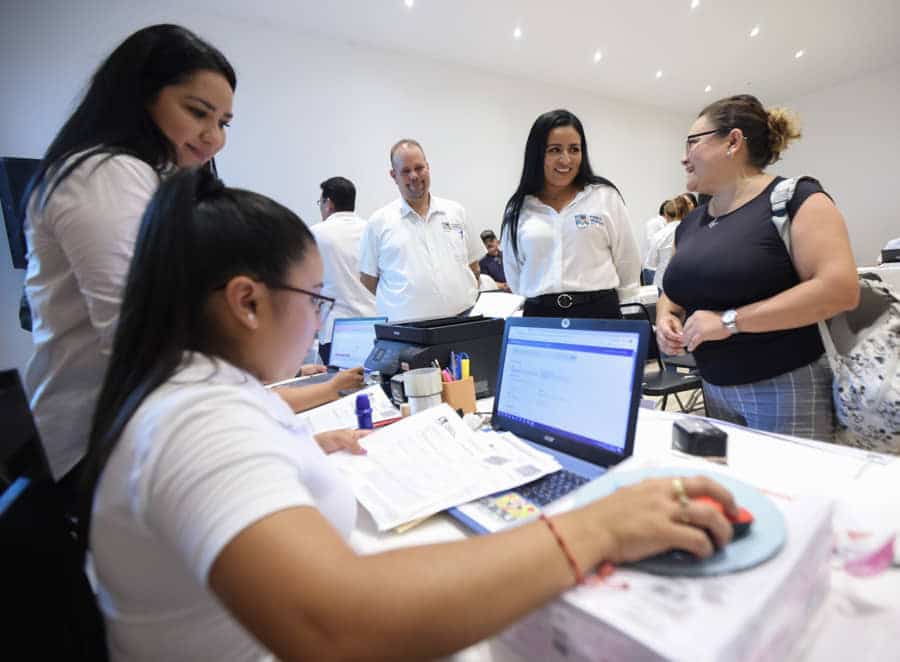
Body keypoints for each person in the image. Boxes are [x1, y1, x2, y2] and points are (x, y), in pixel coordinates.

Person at [83, 169, 737, 661]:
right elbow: (335, 622)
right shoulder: (196, 423)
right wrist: (597, 529)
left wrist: (307, 449)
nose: (321, 317)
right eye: (313, 298)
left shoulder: (196, 389)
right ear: (247, 303)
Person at [22, 24, 236, 487]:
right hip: (93, 440)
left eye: (223, 122)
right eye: (198, 112)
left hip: (132, 429)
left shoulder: (147, 178)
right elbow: (138, 333)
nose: (213, 136)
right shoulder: (105, 173)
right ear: (141, 96)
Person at [658, 94, 859, 439]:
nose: (683, 157)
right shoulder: (689, 225)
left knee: (791, 492)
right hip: (714, 388)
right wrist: (665, 317)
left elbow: (838, 289)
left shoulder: (796, 198)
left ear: (733, 142)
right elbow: (672, 293)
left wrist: (728, 322)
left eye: (692, 143)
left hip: (785, 388)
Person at [501, 109, 640, 319]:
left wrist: (629, 314)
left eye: (574, 149)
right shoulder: (519, 208)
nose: (565, 160)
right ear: (537, 154)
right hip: (540, 316)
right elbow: (514, 273)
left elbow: (627, 262)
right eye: (554, 150)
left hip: (599, 312)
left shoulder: (604, 197)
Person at [359, 139, 484, 321]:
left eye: (419, 168)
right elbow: (368, 279)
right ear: (394, 176)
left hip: (463, 321)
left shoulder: (456, 212)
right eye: (406, 171)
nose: (414, 176)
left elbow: (474, 266)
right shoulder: (379, 223)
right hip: (408, 328)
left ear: (428, 167)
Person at [310, 176, 376, 363]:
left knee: (342, 389)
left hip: (337, 333)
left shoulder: (316, 234)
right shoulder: (371, 230)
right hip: (375, 327)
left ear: (328, 203)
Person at [645, 197, 689, 293]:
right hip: (687, 284)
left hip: (663, 283)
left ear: (665, 214)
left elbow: (652, 263)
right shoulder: (693, 231)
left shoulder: (659, 235)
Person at [642, 201, 668, 286]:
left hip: (653, 268)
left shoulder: (656, 222)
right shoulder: (656, 223)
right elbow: (652, 243)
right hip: (653, 269)